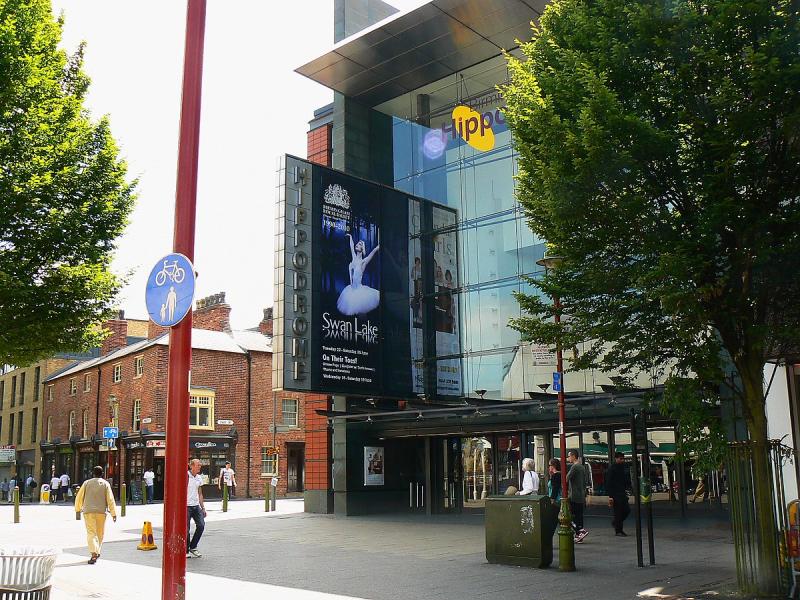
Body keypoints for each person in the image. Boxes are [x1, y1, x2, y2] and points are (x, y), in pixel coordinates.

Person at [74, 466, 117, 564]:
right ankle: (97, 551)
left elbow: (79, 497)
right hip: (101, 512)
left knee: (91, 532)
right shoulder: (105, 484)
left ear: (93, 473)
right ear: (102, 473)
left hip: (88, 511)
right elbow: (110, 499)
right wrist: (113, 513)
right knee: (100, 533)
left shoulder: (87, 483)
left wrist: (77, 508)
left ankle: (94, 552)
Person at [336, 234, 380, 316]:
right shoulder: (353, 257)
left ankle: (364, 325)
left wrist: (379, 246)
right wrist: (350, 237)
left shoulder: (363, 262)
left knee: (361, 314)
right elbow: (351, 246)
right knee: (354, 314)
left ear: (362, 248)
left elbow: (373, 251)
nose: (357, 244)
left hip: (359, 291)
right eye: (357, 243)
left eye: (360, 244)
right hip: (350, 291)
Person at [606, 451, 631, 536]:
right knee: (618, 512)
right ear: (616, 458)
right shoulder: (612, 468)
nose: (622, 460)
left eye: (623, 459)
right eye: (621, 459)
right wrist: (610, 496)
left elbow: (625, 479)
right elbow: (609, 482)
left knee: (626, 510)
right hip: (615, 493)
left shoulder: (623, 467)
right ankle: (618, 530)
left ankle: (616, 523)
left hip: (622, 492)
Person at [187, 458, 207, 558]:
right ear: (191, 466)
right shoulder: (186, 476)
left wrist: (203, 507)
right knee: (186, 529)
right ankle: (186, 550)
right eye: (198, 465)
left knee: (201, 525)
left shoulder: (199, 477)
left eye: (200, 464)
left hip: (195, 505)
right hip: (186, 506)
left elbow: (200, 493)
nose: (200, 466)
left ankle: (193, 546)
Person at [567, 449, 588, 543]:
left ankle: (580, 531)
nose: (568, 458)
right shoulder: (582, 467)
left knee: (571, 516)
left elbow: (566, 478)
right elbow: (584, 482)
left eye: (569, 456)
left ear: (573, 456)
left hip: (574, 495)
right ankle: (579, 535)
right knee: (579, 515)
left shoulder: (574, 467)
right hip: (581, 495)